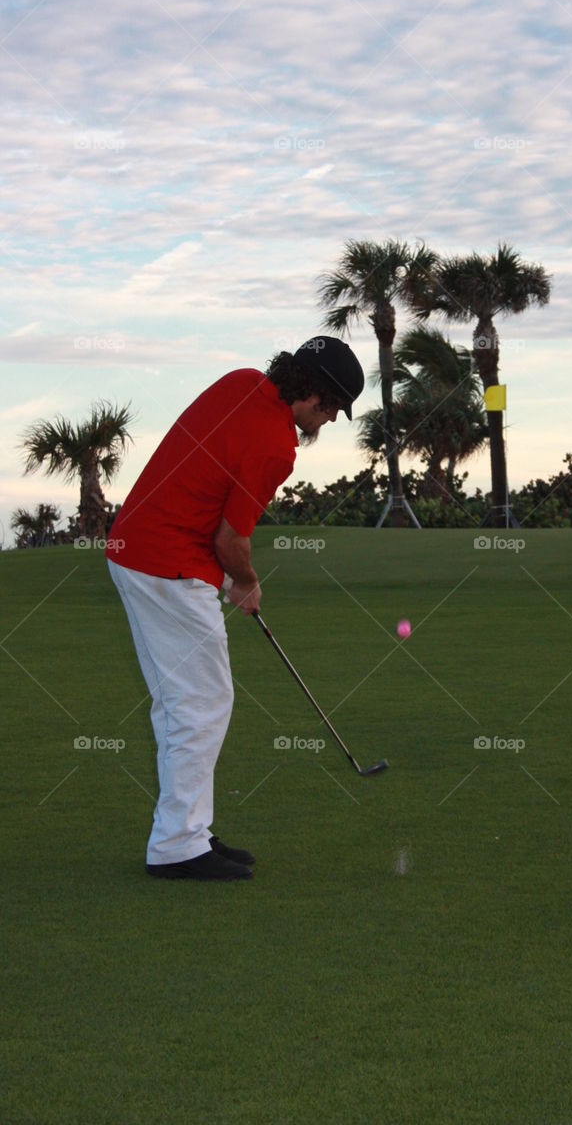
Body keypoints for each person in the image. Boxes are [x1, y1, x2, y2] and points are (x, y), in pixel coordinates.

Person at [106, 337, 364, 882]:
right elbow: (230, 541)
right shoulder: (277, 445)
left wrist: (231, 578)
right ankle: (178, 845)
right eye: (334, 408)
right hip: (167, 565)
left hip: (135, 549)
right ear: (316, 394)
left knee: (181, 704)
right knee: (202, 702)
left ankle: (187, 831)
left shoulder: (241, 381)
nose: (330, 420)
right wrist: (246, 583)